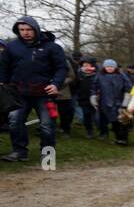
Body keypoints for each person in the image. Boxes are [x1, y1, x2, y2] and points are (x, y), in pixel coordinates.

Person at [1, 16, 67, 163]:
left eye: (29, 29)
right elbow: (4, 68)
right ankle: (19, 152)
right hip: (18, 93)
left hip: (44, 93)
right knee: (14, 121)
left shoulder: (52, 47)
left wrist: (56, 83)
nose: (25, 32)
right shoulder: (12, 47)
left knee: (47, 125)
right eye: (22, 30)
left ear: (35, 29)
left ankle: (48, 154)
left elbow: (61, 68)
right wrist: (3, 84)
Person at [94, 58, 131, 145]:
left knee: (123, 122)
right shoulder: (100, 76)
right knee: (114, 123)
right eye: (107, 67)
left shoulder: (121, 76)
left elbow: (128, 88)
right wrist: (94, 98)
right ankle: (118, 138)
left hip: (120, 103)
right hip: (105, 103)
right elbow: (94, 88)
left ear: (115, 67)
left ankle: (124, 139)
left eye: (111, 67)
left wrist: (125, 102)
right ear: (104, 67)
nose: (109, 68)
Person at [72, 57, 99, 138]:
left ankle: (101, 129)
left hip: (95, 99)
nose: (85, 66)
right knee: (86, 115)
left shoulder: (97, 74)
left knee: (96, 116)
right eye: (84, 65)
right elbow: (75, 85)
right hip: (83, 98)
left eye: (87, 65)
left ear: (92, 65)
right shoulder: (79, 74)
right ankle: (89, 131)